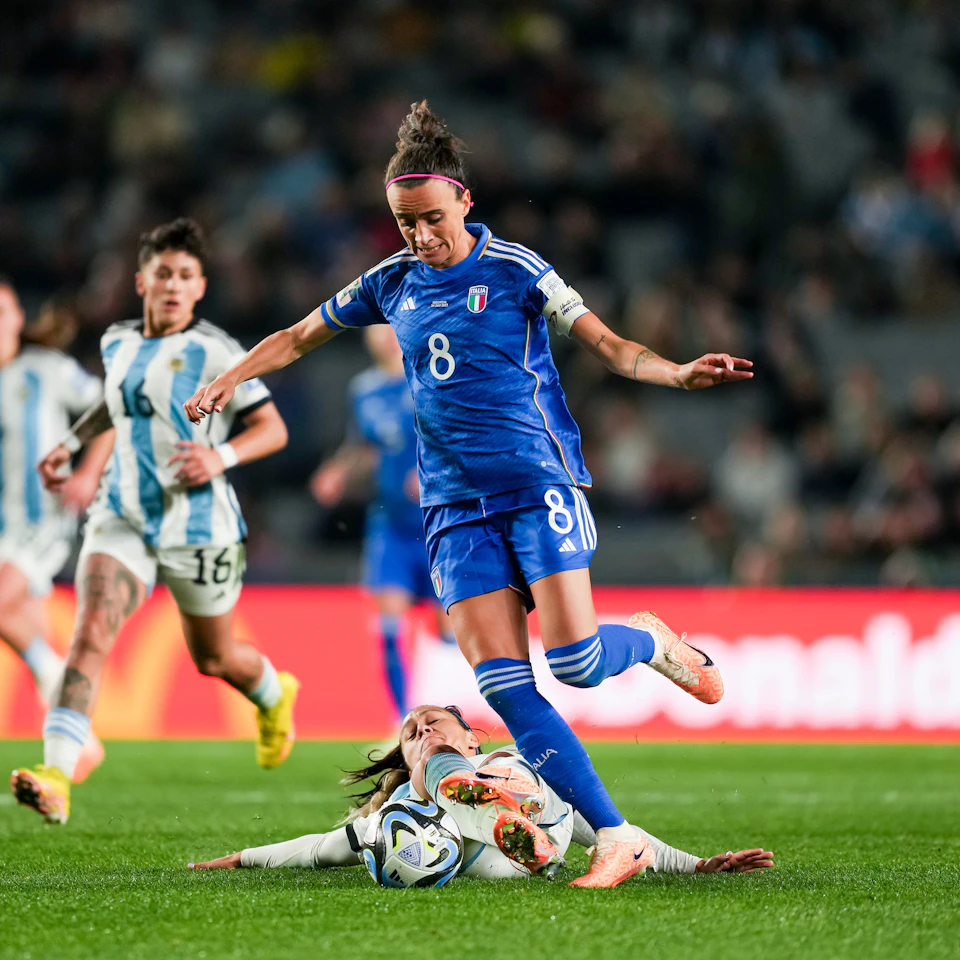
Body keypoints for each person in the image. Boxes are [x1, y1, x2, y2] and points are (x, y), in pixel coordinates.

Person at [184, 102, 754, 887]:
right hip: (452, 510)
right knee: (504, 687)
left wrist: (677, 371)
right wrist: (231, 377)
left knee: (580, 664)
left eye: (430, 218)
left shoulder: (518, 268)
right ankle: (617, 837)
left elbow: (611, 346)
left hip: (535, 483)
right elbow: (296, 336)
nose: (420, 236)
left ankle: (652, 642)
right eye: (404, 222)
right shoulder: (390, 282)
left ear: (464, 204)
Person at [10, 218, 298, 825]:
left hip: (199, 527)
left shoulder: (215, 351)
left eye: (185, 276)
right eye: (163, 274)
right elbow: (115, 404)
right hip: (121, 516)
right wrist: (70, 443)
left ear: (200, 287)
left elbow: (272, 429)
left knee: (215, 660)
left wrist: (220, 456)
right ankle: (57, 773)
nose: (172, 285)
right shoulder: (118, 341)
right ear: (142, 281)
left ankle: (274, 693)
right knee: (90, 635)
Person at [188, 704, 775, 882]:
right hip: (528, 833)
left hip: (528, 800)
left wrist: (697, 865)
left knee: (519, 773)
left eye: (434, 724)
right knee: (439, 800)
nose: (421, 733)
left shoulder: (505, 759)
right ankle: (505, 829)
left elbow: (618, 839)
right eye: (411, 734)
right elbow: (316, 849)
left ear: (469, 736)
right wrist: (241, 857)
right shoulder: (389, 821)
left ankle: (493, 808)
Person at [310, 324, 456, 722]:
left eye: (390, 328)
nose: (384, 337)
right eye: (376, 329)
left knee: (448, 628)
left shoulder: (431, 377)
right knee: (388, 622)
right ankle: (401, 723)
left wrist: (431, 473)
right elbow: (363, 445)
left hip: (436, 521)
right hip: (388, 522)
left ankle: (450, 716)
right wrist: (338, 471)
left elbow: (457, 434)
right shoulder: (364, 389)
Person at [0, 281, 112, 783]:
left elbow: (111, 412)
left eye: (3, 310)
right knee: (30, 638)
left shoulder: (45, 370)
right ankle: (79, 742)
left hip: (38, 523)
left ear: (19, 318)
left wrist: (88, 472)